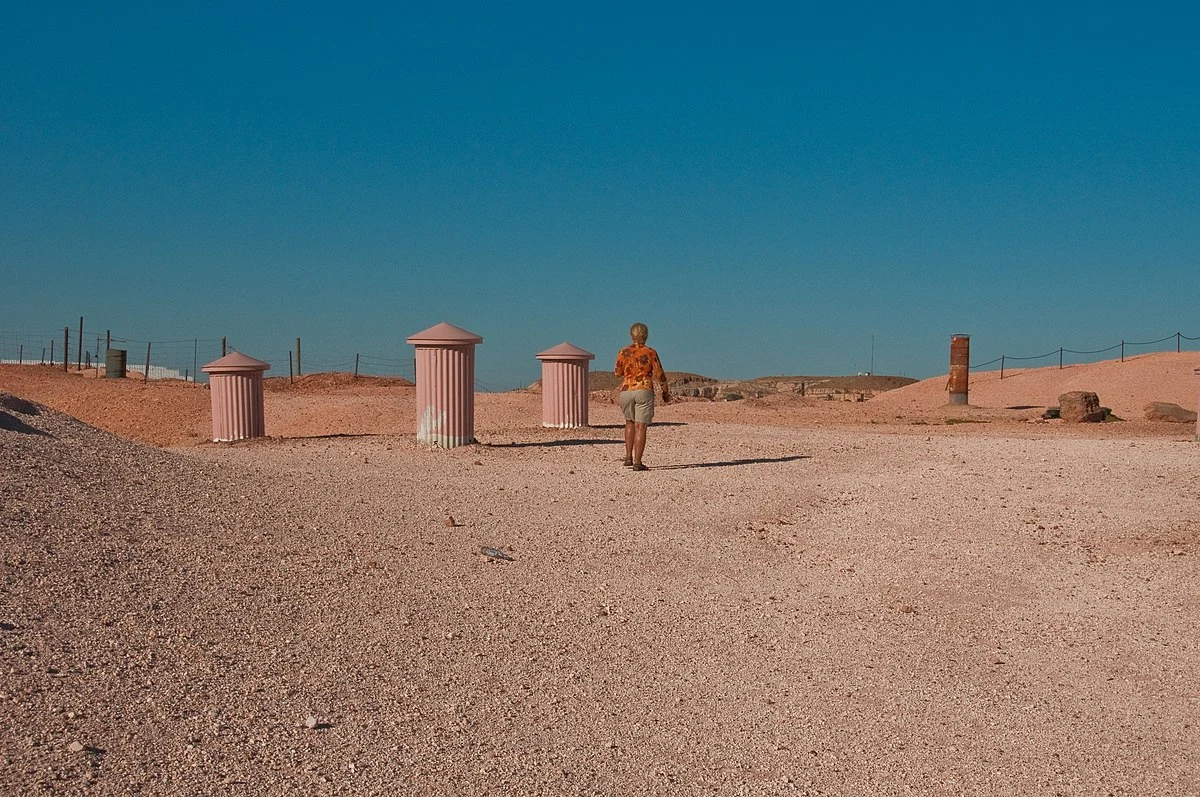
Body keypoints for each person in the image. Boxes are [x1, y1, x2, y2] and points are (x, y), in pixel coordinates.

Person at [613, 322, 671, 471]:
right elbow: (659, 374)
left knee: (629, 423)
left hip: (626, 390)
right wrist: (665, 391)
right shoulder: (650, 352)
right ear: (646, 335)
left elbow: (617, 373)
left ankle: (628, 457)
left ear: (631, 335)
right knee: (641, 426)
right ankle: (638, 462)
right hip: (644, 389)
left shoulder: (622, 352)